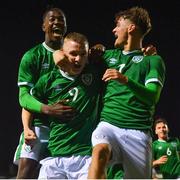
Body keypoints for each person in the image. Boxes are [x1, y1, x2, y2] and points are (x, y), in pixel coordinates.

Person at [88, 6, 166, 179]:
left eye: (118, 25)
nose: (114, 30)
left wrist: (125, 80)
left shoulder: (152, 60)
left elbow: (153, 97)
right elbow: (78, 60)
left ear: (131, 28)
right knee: (99, 152)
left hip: (138, 132)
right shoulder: (107, 56)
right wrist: (95, 50)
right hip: (109, 124)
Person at [28, 32, 104, 179]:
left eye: (82, 54)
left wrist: (101, 49)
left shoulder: (94, 73)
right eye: (73, 54)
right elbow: (28, 104)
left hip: (86, 157)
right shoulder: (48, 80)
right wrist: (27, 128)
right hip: (55, 156)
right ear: (62, 53)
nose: (78, 59)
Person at [13, 7, 74, 179]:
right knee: (26, 173)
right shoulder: (32, 56)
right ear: (43, 26)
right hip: (39, 124)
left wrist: (99, 51)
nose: (57, 23)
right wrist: (48, 110)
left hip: (66, 128)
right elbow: (24, 97)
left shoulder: (74, 55)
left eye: (61, 20)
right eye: (52, 19)